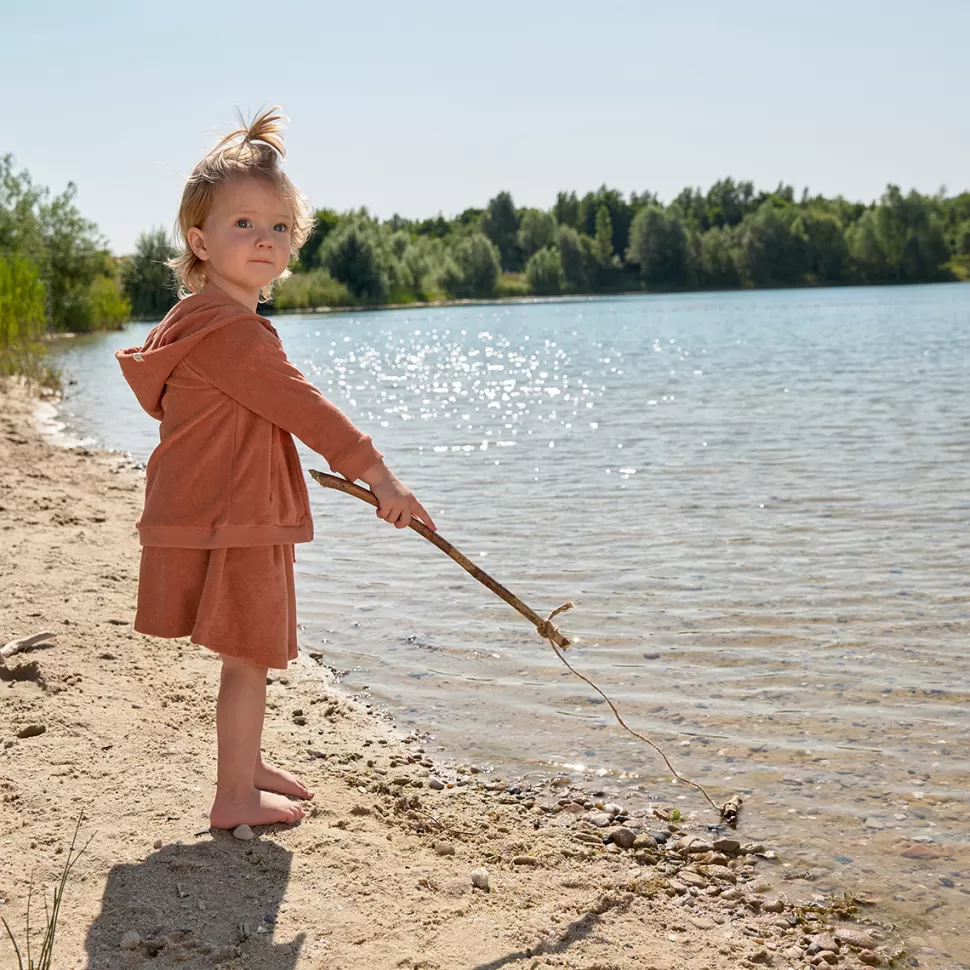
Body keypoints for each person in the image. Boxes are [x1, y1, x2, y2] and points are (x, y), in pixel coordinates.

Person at [116, 107, 435, 830]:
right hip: (237, 516)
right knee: (248, 658)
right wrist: (382, 479)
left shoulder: (191, 318)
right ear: (199, 240)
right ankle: (234, 798)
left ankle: (246, 764)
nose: (265, 239)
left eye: (279, 227)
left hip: (217, 508)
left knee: (247, 654)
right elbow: (308, 411)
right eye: (243, 225)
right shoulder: (234, 333)